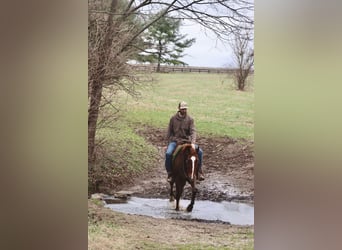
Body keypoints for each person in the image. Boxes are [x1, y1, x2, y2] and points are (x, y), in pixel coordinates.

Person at [165, 101, 205, 182]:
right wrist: (168, 142)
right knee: (168, 153)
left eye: (185, 109)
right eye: (182, 109)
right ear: (179, 109)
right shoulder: (173, 119)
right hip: (175, 141)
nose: (184, 111)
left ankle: (199, 171)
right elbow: (169, 132)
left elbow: (193, 131)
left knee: (200, 152)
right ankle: (170, 173)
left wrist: (193, 143)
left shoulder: (190, 119)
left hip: (187, 142)